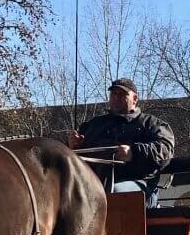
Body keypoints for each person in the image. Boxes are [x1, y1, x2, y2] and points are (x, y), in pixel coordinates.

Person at [69, 78, 174, 207]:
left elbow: (165, 150)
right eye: (113, 94)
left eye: (122, 94)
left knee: (113, 193)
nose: (116, 98)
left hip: (141, 186)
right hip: (95, 185)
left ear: (135, 98)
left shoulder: (152, 124)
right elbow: (73, 155)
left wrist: (133, 152)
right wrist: (73, 145)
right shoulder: (93, 125)